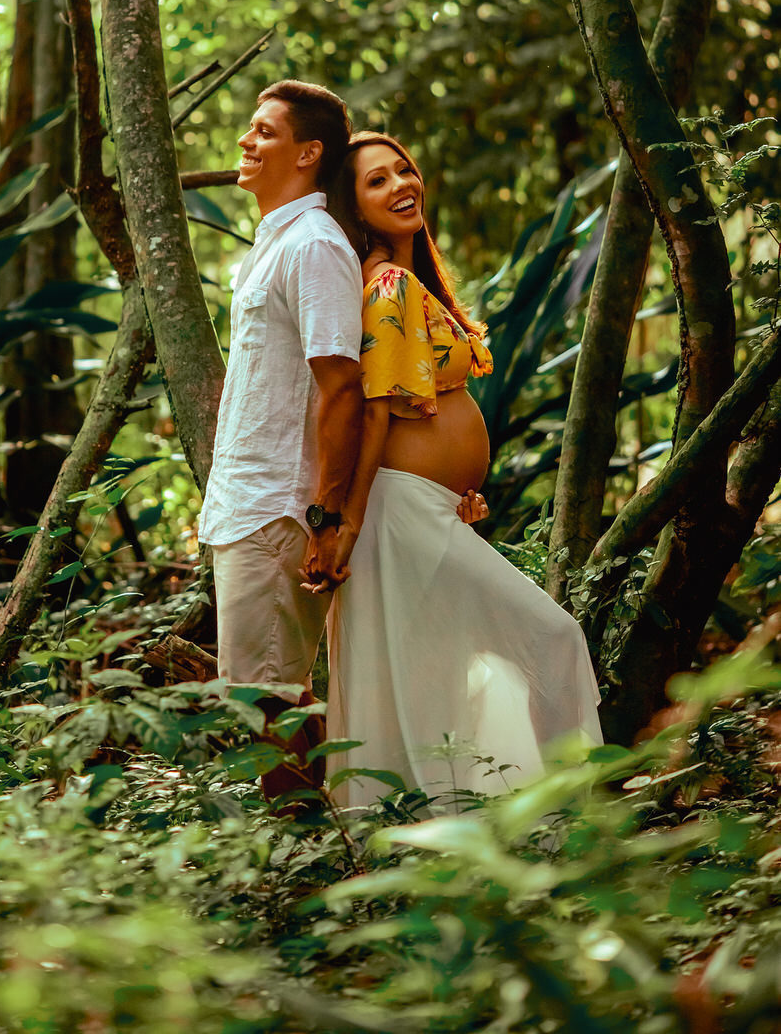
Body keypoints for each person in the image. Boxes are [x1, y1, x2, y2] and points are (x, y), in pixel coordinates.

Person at [310, 132, 603, 806]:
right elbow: (376, 413)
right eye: (376, 181)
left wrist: (452, 496)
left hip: (429, 509)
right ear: (354, 211)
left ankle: (479, 823)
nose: (399, 185)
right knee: (550, 637)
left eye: (403, 170)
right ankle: (565, 814)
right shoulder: (384, 283)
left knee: (435, 671)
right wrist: (346, 526)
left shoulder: (412, 284)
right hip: (396, 512)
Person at [196, 80, 365, 802]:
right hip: (247, 504)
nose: (245, 140)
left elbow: (340, 387)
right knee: (255, 696)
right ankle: (297, 860)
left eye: (263, 131)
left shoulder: (316, 247)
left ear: (307, 154)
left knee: (267, 701)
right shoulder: (276, 244)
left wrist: (322, 518)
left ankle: (301, 870)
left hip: (279, 511)